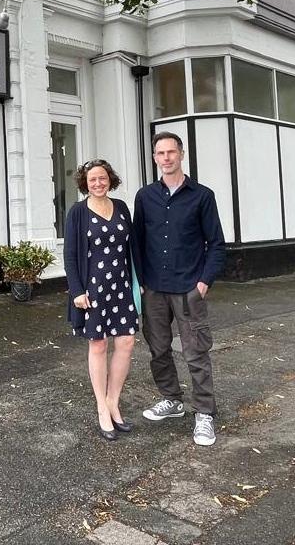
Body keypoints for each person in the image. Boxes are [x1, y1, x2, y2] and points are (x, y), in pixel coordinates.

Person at [132, 131, 226, 447]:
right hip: (154, 289)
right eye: (161, 153)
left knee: (195, 351)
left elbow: (216, 244)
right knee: (158, 349)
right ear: (155, 157)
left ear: (181, 154)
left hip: (188, 288)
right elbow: (138, 242)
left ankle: (204, 413)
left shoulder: (202, 195)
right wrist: (142, 281)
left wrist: (203, 282)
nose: (166, 158)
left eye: (172, 152)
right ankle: (171, 400)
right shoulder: (145, 197)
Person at [62, 159, 139, 441]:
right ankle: (101, 407)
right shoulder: (77, 213)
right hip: (92, 289)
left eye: (103, 178)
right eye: (93, 179)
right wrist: (77, 291)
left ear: (110, 180)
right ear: (85, 182)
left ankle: (113, 401)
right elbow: (70, 255)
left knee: (126, 342)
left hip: (121, 285)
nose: (98, 183)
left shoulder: (121, 208)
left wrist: (138, 283)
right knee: (98, 344)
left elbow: (132, 248)